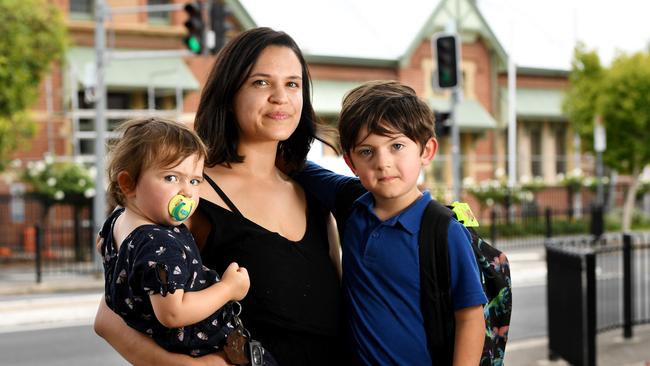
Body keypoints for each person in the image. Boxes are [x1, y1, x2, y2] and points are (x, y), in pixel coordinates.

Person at [94, 27, 347, 366]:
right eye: (261, 83)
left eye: (292, 84)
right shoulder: (191, 193)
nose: (280, 97)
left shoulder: (312, 194)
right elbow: (109, 319)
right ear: (229, 96)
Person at [293, 80, 488, 365]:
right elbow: (294, 163)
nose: (382, 162)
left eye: (396, 145)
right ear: (351, 163)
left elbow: (470, 317)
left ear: (427, 151)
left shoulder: (443, 230)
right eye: (366, 151)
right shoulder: (349, 202)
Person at [99, 117, 253, 359]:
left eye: (195, 181)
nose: (187, 192)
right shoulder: (159, 243)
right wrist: (228, 288)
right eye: (171, 178)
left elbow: (103, 248)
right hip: (203, 348)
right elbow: (173, 313)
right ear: (128, 184)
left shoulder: (117, 221)